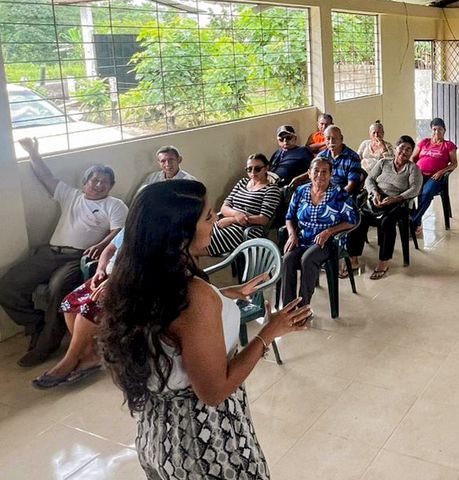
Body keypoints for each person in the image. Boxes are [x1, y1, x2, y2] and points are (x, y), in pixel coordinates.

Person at [97, 180, 311, 478]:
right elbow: (213, 391)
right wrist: (268, 333)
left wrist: (227, 294)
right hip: (205, 443)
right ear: (181, 231)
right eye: (208, 216)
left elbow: (175, 318)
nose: (216, 221)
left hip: (159, 433)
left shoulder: (137, 278)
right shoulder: (194, 296)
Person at [0, 137, 127, 367]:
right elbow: (45, 176)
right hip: (49, 253)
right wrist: (33, 152)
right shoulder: (71, 195)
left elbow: (119, 232)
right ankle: (36, 323)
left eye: (104, 182)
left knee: (57, 290)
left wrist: (100, 245)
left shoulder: (114, 205)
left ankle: (45, 346)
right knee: (9, 284)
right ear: (84, 182)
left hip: (77, 258)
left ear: (111, 185)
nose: (99, 185)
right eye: (94, 180)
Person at [31, 229, 125, 389]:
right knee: (69, 304)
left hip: (125, 279)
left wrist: (113, 280)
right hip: (107, 277)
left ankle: (70, 359)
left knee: (87, 311)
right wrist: (100, 270)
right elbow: (109, 249)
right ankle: (90, 354)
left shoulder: (149, 229)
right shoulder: (128, 227)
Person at [283, 158, 357, 311]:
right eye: (316, 171)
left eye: (324, 172)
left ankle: (303, 309)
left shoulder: (338, 193)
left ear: (331, 174)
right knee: (288, 259)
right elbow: (289, 217)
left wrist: (329, 231)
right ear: (309, 173)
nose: (320, 175)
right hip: (303, 238)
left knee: (307, 258)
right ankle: (287, 310)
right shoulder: (301, 191)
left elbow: (352, 221)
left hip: (330, 241)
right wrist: (292, 235)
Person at [347, 136, 423, 280]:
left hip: (399, 203)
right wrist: (374, 193)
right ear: (395, 149)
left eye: (408, 149)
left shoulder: (413, 169)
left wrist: (396, 198)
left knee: (386, 222)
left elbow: (415, 189)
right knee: (359, 218)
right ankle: (353, 259)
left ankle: (383, 262)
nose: (404, 152)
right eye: (401, 148)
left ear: (411, 152)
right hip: (377, 199)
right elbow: (370, 179)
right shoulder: (383, 163)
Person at [206, 154, 282, 257]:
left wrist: (232, 220)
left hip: (247, 229)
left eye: (257, 169)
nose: (253, 173)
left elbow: (263, 219)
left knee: (203, 242)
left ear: (266, 168)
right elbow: (224, 207)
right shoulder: (242, 182)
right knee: (198, 233)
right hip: (225, 222)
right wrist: (236, 214)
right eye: (249, 169)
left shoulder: (271, 190)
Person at [410, 117, 458, 236]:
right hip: (419, 175)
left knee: (426, 193)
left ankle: (413, 222)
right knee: (407, 190)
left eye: (440, 129)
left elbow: (454, 163)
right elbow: (413, 158)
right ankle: (414, 221)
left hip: (435, 177)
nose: (437, 132)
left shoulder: (448, 145)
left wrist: (442, 171)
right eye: (434, 129)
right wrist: (413, 171)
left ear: (444, 130)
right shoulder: (424, 142)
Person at [316, 125, 362, 194]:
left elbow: (351, 185)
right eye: (328, 139)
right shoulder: (321, 156)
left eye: (334, 138)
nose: (331, 141)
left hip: (341, 194)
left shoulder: (352, 157)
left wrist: (337, 197)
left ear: (341, 139)